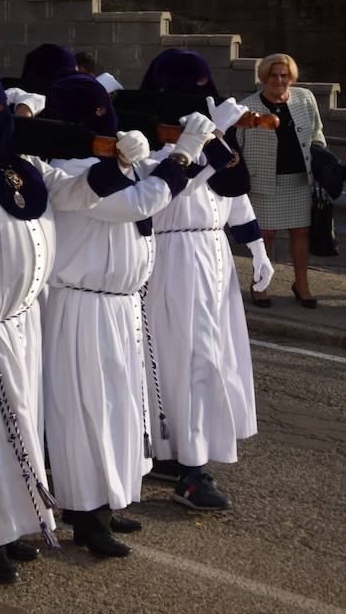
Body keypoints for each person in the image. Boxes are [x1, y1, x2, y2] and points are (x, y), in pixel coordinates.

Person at [0, 65, 140, 585]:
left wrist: (120, 160)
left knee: (19, 429)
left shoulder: (21, 162)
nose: (1, 117)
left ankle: (12, 522)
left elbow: (77, 193)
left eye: (3, 107)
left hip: (22, 323)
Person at [38, 74, 208, 559]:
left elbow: (159, 181)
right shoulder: (71, 168)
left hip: (119, 304)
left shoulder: (110, 162)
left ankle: (107, 501)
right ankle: (85, 514)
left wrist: (187, 146)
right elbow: (138, 204)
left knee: (119, 410)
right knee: (87, 410)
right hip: (84, 304)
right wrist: (182, 155)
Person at [139, 49, 269, 511]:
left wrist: (256, 248)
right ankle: (191, 470)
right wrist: (208, 140)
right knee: (186, 359)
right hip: (174, 256)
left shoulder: (207, 139)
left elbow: (234, 195)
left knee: (214, 355)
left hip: (213, 256)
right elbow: (170, 187)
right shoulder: (153, 138)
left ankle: (177, 450)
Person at [237, 53, 325, 308]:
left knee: (301, 232)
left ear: (291, 78)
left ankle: (302, 284)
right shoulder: (247, 107)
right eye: (274, 75)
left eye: (284, 75)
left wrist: (320, 154)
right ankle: (259, 284)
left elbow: (317, 130)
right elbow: (238, 146)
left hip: (299, 179)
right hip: (264, 180)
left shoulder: (304, 98)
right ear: (264, 77)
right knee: (265, 235)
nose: (279, 80)